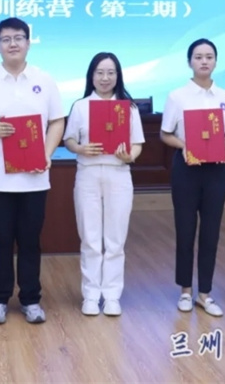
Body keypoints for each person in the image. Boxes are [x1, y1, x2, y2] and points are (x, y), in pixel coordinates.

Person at [0, 17, 65, 325]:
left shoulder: (44, 80)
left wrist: (46, 154)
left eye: (19, 38)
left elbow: (57, 121)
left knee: (30, 240)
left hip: (35, 178)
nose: (13, 44)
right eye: (6, 39)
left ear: (28, 43)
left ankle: (31, 299)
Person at [160, 38, 225, 317]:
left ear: (216, 61)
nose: (204, 61)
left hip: (216, 169)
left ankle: (205, 293)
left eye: (209, 56)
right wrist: (186, 146)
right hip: (187, 169)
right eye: (198, 57)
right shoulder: (177, 97)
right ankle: (185, 290)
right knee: (185, 229)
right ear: (189, 62)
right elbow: (165, 134)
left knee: (211, 231)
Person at [63, 52, 145, 317]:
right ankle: (90, 294)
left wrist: (129, 156)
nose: (105, 78)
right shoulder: (80, 106)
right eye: (100, 72)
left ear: (118, 76)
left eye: (110, 72)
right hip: (87, 174)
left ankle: (111, 295)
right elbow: (69, 140)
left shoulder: (128, 108)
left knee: (115, 239)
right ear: (91, 76)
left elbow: (137, 143)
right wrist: (81, 148)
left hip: (118, 174)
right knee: (90, 237)